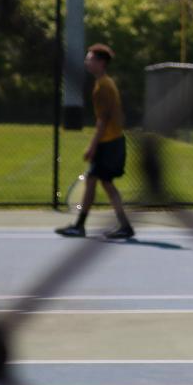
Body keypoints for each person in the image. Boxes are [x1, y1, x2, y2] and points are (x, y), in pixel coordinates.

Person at [56, 43, 135, 240]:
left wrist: (92, 146)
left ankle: (81, 226)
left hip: (109, 143)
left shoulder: (103, 87)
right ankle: (121, 226)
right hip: (112, 142)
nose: (86, 62)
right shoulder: (104, 83)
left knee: (98, 182)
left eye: (89, 59)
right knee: (102, 183)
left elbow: (103, 119)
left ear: (101, 63)